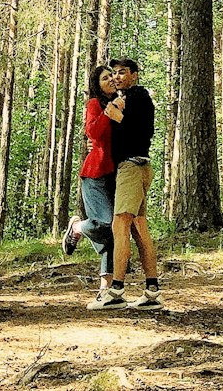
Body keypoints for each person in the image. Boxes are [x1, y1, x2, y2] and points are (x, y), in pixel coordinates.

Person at [88, 56, 162, 310]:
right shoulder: (126, 100)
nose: (117, 77)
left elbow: (144, 132)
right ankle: (152, 292)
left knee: (120, 225)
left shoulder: (138, 97)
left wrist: (119, 117)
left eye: (122, 73)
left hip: (133, 167)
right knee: (139, 227)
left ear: (134, 75)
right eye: (114, 73)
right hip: (132, 167)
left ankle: (116, 291)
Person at [61, 64, 116, 294]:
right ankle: (76, 227)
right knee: (104, 223)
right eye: (106, 78)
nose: (111, 80)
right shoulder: (95, 104)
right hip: (95, 173)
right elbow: (92, 133)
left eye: (112, 76)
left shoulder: (121, 103)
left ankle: (106, 287)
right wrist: (108, 112)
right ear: (97, 84)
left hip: (116, 174)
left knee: (114, 231)